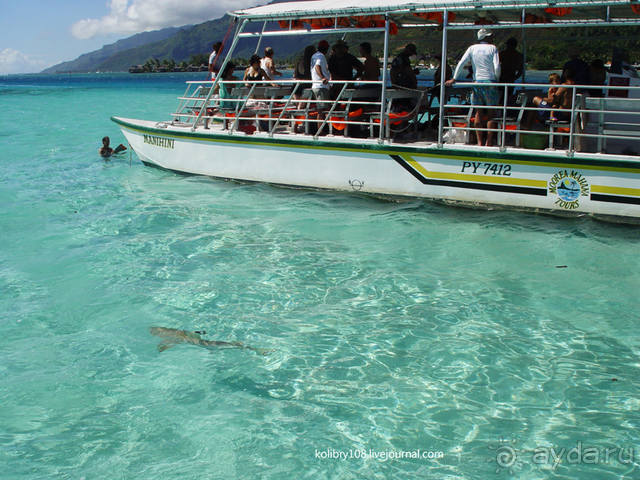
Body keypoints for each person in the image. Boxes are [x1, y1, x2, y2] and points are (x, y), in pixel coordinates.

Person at [445, 28, 501, 146]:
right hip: (490, 82)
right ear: (486, 37)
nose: (492, 38)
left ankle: (480, 142)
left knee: (478, 113)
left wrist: (454, 78)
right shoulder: (493, 48)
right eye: (490, 36)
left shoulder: (472, 48)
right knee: (491, 113)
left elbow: (461, 63)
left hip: (477, 82)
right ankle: (489, 141)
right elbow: (496, 66)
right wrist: (497, 79)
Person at [311, 39, 331, 123]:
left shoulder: (314, 55)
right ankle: (320, 131)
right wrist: (323, 77)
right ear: (325, 49)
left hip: (316, 85)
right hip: (321, 86)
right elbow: (317, 66)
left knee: (323, 109)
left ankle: (324, 129)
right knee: (322, 110)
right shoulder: (320, 56)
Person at [499, 37, 524, 104]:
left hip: (504, 79)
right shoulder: (519, 56)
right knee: (505, 97)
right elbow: (520, 71)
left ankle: (501, 110)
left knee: (503, 97)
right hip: (506, 79)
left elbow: (520, 70)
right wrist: (515, 77)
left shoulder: (502, 54)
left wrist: (514, 77)